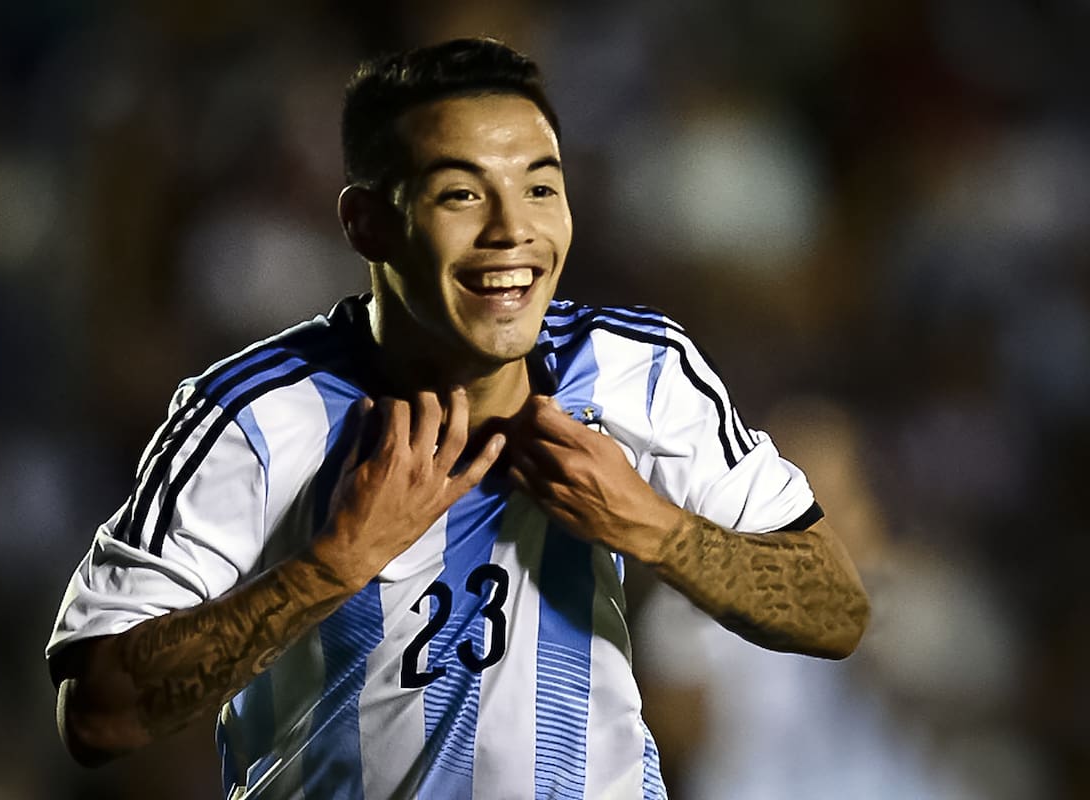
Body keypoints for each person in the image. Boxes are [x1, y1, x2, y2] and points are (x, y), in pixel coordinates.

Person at [47, 37, 870, 799]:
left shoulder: (640, 373)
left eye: (541, 188)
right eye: (461, 194)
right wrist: (333, 565)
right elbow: (99, 714)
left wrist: (653, 526)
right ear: (365, 223)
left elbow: (835, 610)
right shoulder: (254, 416)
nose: (514, 231)